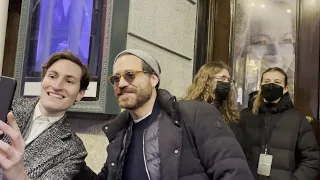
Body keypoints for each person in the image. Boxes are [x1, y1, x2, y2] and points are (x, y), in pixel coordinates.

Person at [73, 49, 254, 180]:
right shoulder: (120, 133)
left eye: (130, 75)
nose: (120, 84)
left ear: (153, 78)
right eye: (116, 78)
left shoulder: (195, 114)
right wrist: (73, 161)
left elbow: (234, 173)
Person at [0, 50, 90, 180]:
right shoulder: (7, 107)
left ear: (80, 94)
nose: (57, 86)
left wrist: (18, 175)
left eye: (69, 81)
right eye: (52, 76)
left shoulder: (74, 151)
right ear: (43, 80)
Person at [240, 67, 320, 179]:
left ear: (286, 88)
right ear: (260, 86)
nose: (271, 85)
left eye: (277, 82)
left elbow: (312, 160)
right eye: (267, 82)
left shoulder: (297, 120)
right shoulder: (245, 116)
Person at [184, 62, 241, 136]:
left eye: (229, 80)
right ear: (208, 80)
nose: (227, 82)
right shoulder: (193, 108)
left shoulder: (229, 112)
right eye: (223, 78)